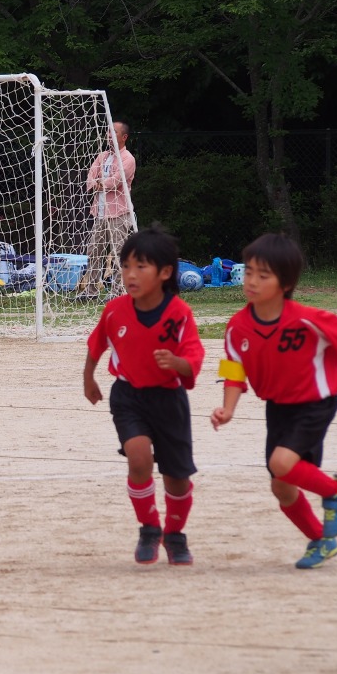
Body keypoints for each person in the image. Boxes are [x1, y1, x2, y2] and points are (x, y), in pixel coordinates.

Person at [211, 232, 337, 569]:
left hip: (315, 404)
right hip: (278, 409)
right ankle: (321, 541)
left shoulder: (308, 320)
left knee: (281, 463)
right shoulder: (237, 327)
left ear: (285, 283)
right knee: (282, 487)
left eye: (263, 275)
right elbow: (233, 369)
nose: (252, 281)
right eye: (248, 272)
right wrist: (228, 408)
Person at [82, 227, 205, 565]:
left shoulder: (179, 313)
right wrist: (88, 378)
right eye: (125, 266)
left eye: (140, 267)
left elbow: (194, 355)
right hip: (128, 396)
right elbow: (96, 345)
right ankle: (149, 528)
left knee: (177, 478)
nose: (130, 274)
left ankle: (175, 535)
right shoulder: (114, 310)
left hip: (169, 400)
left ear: (165, 272)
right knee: (138, 459)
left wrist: (178, 363)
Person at [77, 121, 136, 299]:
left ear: (124, 137)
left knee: (119, 253)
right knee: (94, 251)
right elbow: (90, 176)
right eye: (108, 132)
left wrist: (100, 183)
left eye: (113, 132)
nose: (109, 136)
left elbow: (115, 181)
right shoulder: (102, 156)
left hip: (119, 213)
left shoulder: (128, 159)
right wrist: (97, 183)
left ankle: (117, 292)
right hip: (100, 213)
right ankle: (91, 291)